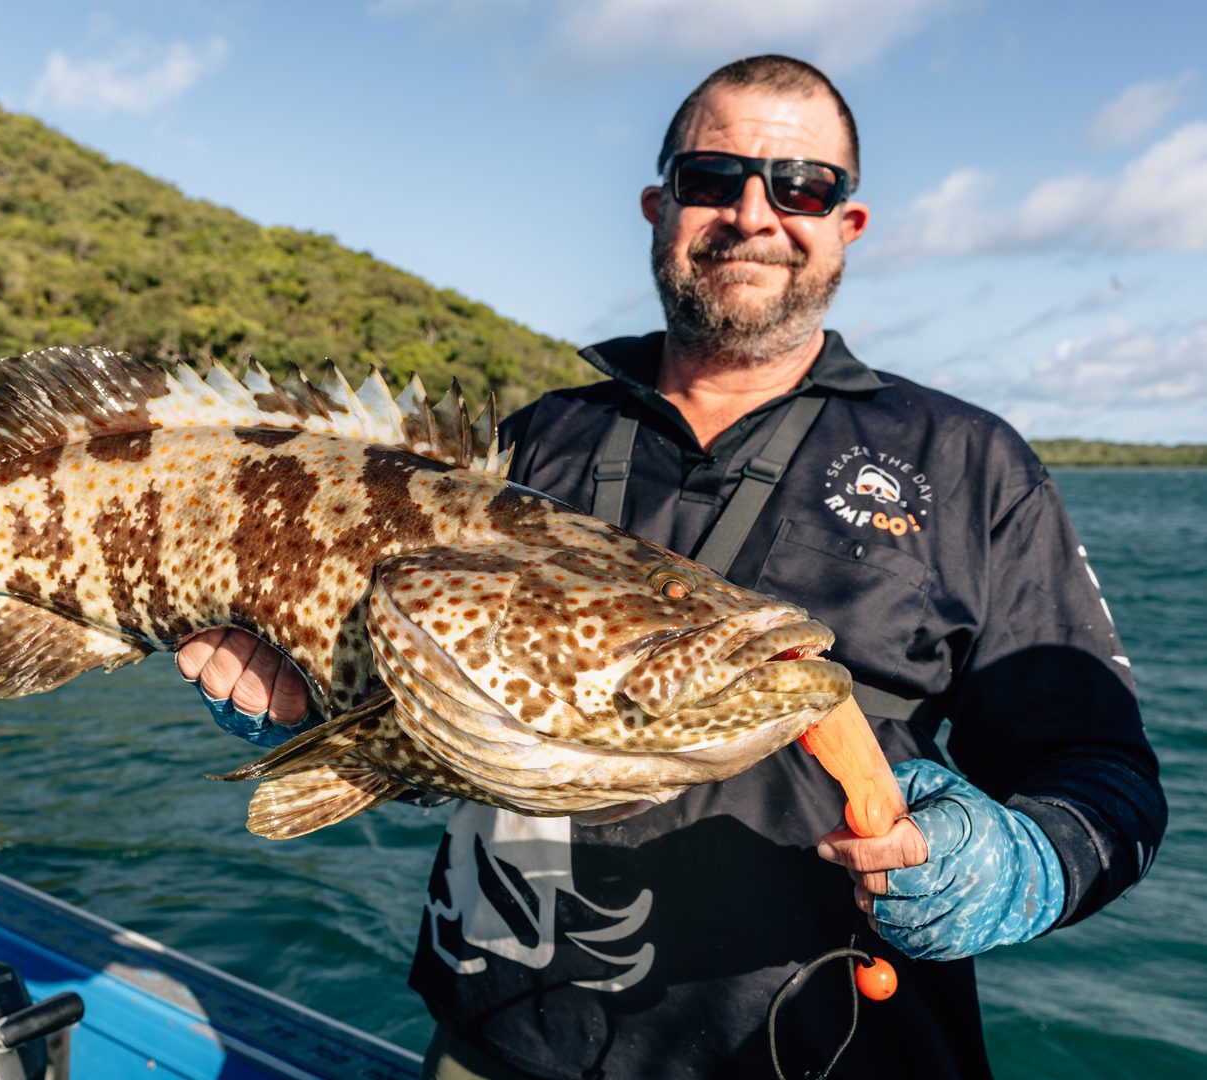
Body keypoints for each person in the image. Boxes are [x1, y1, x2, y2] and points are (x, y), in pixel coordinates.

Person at [177, 55, 1167, 1079]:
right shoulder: (528, 444)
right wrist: (319, 720)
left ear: (847, 224)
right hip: (494, 1044)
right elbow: (442, 732)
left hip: (821, 1054)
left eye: (802, 186)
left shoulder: (969, 463)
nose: (752, 212)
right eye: (712, 178)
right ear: (659, 206)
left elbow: (1107, 778)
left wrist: (1024, 865)